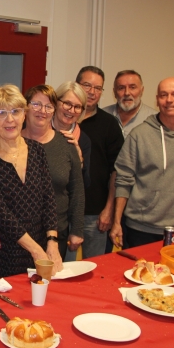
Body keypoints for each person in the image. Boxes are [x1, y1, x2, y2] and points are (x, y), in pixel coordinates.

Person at [0, 85, 62, 277]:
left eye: (15, 111)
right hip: (8, 254)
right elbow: (1, 213)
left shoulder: (37, 151)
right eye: (1, 113)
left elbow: (48, 199)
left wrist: (52, 242)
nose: (10, 119)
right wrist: (35, 249)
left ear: (24, 115)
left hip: (44, 249)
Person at [110, 77, 174, 248]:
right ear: (157, 100)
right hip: (140, 229)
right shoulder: (139, 134)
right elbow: (123, 179)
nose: (169, 100)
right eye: (163, 95)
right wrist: (117, 222)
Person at [21, 85, 85, 259]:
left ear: (54, 111)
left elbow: (77, 190)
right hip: (19, 237)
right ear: (25, 107)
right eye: (36, 104)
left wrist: (77, 229)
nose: (42, 111)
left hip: (57, 235)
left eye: (48, 106)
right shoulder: (13, 142)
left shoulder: (66, 144)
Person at [68, 66, 123, 260]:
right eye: (87, 85)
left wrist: (109, 210)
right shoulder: (63, 120)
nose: (92, 92)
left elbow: (117, 171)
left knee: (96, 269)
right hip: (64, 214)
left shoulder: (109, 125)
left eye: (98, 88)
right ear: (76, 85)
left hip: (96, 215)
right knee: (63, 272)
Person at [52, 81, 92, 188]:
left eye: (77, 107)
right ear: (56, 101)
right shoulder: (39, 129)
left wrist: (79, 161)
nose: (71, 110)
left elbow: (85, 185)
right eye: (67, 104)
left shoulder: (83, 140)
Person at [102, 70, 157, 138]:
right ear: (114, 92)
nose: (127, 93)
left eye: (132, 87)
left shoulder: (155, 120)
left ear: (142, 91)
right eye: (121, 88)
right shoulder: (101, 116)